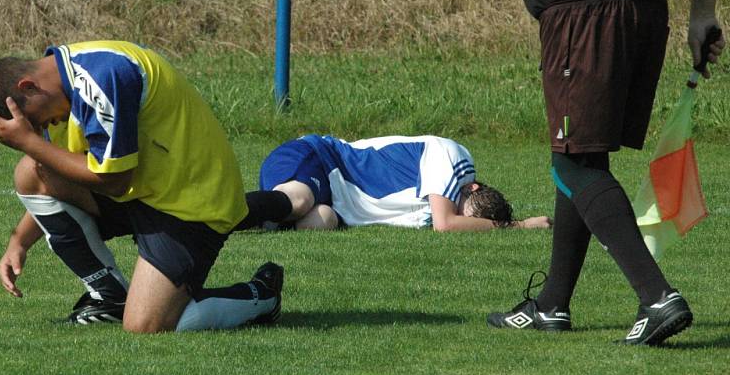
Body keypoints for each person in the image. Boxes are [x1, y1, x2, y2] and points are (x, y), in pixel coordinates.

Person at [488, 0, 726, 346]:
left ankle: (656, 296)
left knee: (573, 163)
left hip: (583, 22)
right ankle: (552, 304)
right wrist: (702, 11)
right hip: (645, 17)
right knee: (582, 154)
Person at [0, 40, 284, 333]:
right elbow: (61, 169)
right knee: (30, 171)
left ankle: (261, 296)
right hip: (143, 193)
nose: (40, 129)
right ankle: (109, 296)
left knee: (146, 325)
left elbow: (113, 181)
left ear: (28, 87)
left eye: (34, 121)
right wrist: (19, 241)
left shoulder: (104, 76)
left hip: (190, 204)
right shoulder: (60, 90)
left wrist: (30, 142)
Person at [235, 134, 552, 232]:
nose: (455, 215)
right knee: (299, 201)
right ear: (471, 187)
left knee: (321, 220)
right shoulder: (453, 158)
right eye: (462, 209)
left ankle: (266, 220)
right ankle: (219, 216)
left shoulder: (448, 193)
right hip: (317, 156)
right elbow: (445, 224)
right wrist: (519, 226)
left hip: (335, 202)